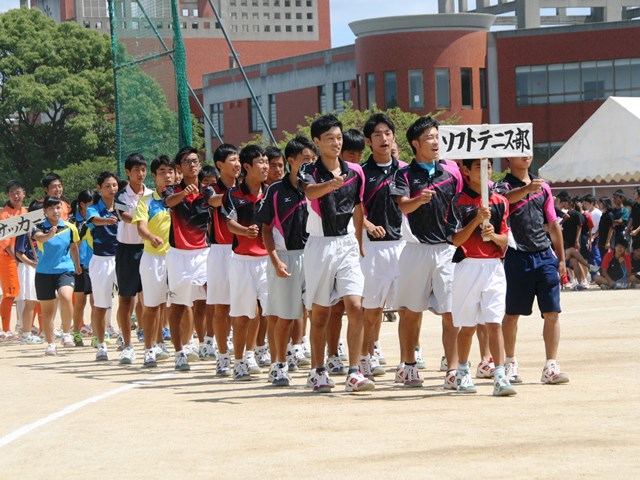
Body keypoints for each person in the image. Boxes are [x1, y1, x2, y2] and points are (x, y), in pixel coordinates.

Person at [298, 114, 373, 393]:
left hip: (346, 244)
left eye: (339, 137)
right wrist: (331, 183)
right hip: (319, 245)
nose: (336, 142)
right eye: (329, 138)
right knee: (320, 313)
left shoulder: (356, 172)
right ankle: (318, 370)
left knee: (355, 305)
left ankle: (354, 371)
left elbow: (358, 206)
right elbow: (309, 193)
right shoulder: (308, 171)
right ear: (317, 142)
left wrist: (359, 239)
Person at [389, 116, 463, 389]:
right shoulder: (404, 174)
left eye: (437, 136)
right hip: (415, 250)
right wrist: (418, 199)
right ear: (415, 144)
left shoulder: (451, 172)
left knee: (451, 312)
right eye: (430, 138)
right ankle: (408, 365)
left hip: (446, 250)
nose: (436, 142)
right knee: (410, 312)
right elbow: (403, 207)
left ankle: (453, 369)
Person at [494, 156, 569, 385]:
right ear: (508, 157)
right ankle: (510, 362)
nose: (526, 156)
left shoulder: (543, 187)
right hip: (517, 255)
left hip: (545, 254)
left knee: (552, 312)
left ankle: (550, 365)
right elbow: (502, 201)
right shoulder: (502, 186)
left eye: (528, 150)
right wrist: (527, 189)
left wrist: (562, 259)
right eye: (520, 151)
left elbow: (553, 224)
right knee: (512, 314)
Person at [448, 158, 516, 396]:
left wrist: (493, 235)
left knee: (494, 322)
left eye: (488, 166)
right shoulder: (458, 201)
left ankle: (499, 374)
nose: (485, 171)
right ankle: (463, 372)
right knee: (467, 326)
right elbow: (455, 240)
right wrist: (476, 220)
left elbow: (506, 239)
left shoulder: (501, 202)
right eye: (478, 167)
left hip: (494, 267)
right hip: (467, 266)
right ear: (466, 171)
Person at [257, 135, 315, 386]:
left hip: (313, 254)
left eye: (313, 160)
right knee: (284, 316)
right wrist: (275, 260)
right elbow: (266, 229)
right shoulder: (275, 191)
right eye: (305, 160)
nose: (310, 164)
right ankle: (278, 365)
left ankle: (319, 365)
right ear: (291, 161)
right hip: (285, 257)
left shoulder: (316, 188)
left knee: (317, 311)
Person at [358, 113, 407, 380]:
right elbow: (352, 209)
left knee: (406, 307)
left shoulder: (407, 170)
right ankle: (367, 355)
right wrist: (366, 224)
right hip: (373, 248)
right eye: (377, 134)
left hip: (403, 245)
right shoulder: (362, 174)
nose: (384, 138)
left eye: (387, 133)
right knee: (372, 307)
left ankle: (407, 360)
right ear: (369, 141)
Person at [163, 146, 215, 371]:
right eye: (187, 162)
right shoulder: (171, 190)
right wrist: (184, 193)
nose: (192, 165)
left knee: (208, 299)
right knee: (179, 305)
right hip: (178, 256)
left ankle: (206, 342)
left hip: (204, 252)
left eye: (195, 161)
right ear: (179, 168)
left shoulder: (209, 192)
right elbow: (169, 203)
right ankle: (179, 352)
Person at [223, 144, 270, 380]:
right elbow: (229, 224)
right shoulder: (233, 195)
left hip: (268, 260)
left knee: (271, 313)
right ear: (248, 167)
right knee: (243, 314)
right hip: (241, 261)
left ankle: (268, 357)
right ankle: (239, 360)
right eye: (260, 162)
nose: (265, 166)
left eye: (266, 162)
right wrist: (244, 231)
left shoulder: (271, 192)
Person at [132, 155, 176, 367]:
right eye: (162, 172)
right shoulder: (146, 201)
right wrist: (150, 237)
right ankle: (149, 349)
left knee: (178, 304)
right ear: (154, 176)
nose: (167, 176)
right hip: (153, 258)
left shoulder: (181, 198)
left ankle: (182, 348)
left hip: (177, 257)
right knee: (152, 306)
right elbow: (141, 227)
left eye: (170, 172)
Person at [206, 144, 242, 376]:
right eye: (232, 160)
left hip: (245, 250)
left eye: (239, 160)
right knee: (222, 307)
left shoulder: (247, 186)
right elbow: (214, 201)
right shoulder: (210, 189)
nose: (237, 164)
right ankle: (222, 356)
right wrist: (238, 193)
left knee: (247, 308)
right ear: (220, 165)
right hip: (220, 251)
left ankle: (246, 355)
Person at [114, 153, 153, 364]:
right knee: (126, 299)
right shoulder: (120, 196)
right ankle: (127, 345)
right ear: (128, 172)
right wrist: (144, 221)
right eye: (136, 170)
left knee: (149, 299)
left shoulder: (152, 194)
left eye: (143, 169)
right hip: (127, 251)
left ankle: (151, 345)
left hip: (148, 250)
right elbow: (124, 217)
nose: (141, 174)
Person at [32, 196, 82, 355]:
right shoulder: (38, 226)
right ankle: (50, 343)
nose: (56, 211)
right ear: (45, 211)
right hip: (44, 272)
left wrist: (78, 264)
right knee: (47, 310)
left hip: (65, 269)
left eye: (58, 207)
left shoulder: (69, 227)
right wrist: (50, 234)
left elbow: (74, 247)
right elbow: (40, 238)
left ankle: (67, 333)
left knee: (66, 297)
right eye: (52, 208)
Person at [87, 172, 120, 361]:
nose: (112, 189)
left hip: (122, 257)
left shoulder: (122, 206)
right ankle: (101, 344)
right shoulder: (94, 208)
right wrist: (106, 220)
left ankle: (124, 339)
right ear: (99, 188)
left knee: (127, 300)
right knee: (100, 305)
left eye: (114, 185)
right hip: (101, 260)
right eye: (107, 186)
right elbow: (94, 220)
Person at [0, 180, 28, 340]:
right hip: (8, 260)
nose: (16, 196)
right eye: (13, 193)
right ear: (8, 195)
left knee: (27, 294)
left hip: (24, 259)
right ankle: (5, 329)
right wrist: (16, 260)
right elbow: (6, 244)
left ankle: (25, 326)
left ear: (24, 193)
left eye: (19, 192)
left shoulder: (25, 212)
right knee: (9, 294)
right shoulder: (5, 214)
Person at [70, 190, 95, 347]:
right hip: (80, 266)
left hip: (96, 264)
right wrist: (76, 263)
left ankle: (97, 333)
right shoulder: (74, 222)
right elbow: (74, 245)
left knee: (96, 301)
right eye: (90, 205)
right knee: (80, 302)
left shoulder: (97, 219)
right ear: (82, 205)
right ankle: (76, 333)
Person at [582, 194, 602, 271]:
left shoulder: (598, 213)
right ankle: (594, 274)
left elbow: (600, 228)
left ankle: (600, 272)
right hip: (587, 236)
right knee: (589, 257)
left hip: (595, 237)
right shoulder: (585, 213)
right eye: (584, 203)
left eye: (586, 203)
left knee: (596, 255)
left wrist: (593, 237)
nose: (585, 205)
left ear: (592, 203)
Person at [597, 197, 615, 262]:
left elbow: (611, 228)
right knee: (603, 259)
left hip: (607, 242)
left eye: (600, 203)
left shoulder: (609, 215)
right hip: (602, 240)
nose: (599, 204)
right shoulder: (603, 214)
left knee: (608, 259)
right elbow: (601, 229)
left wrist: (608, 242)